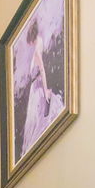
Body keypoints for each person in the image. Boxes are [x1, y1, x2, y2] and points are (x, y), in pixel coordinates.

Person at [19, 17, 64, 160]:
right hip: (35, 89)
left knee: (37, 120)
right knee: (34, 121)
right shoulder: (36, 52)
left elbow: (43, 72)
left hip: (38, 89)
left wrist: (45, 91)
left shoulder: (37, 53)